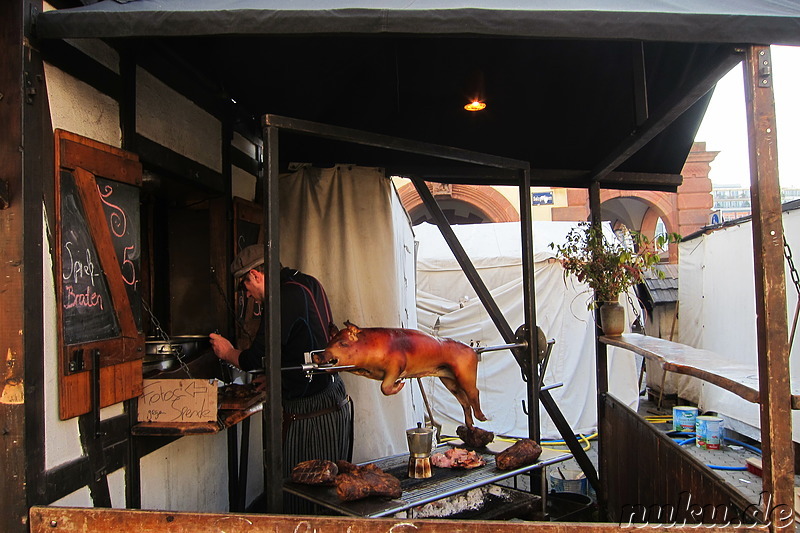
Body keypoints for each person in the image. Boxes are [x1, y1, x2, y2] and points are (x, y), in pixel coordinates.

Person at [210, 245, 353, 513]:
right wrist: (277, 378)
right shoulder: (305, 281)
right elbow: (305, 340)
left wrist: (227, 352)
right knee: (328, 491)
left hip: (311, 410)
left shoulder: (282, 298)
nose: (248, 295)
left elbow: (256, 358)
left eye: (245, 287)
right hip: (334, 396)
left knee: (305, 492)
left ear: (255, 275)